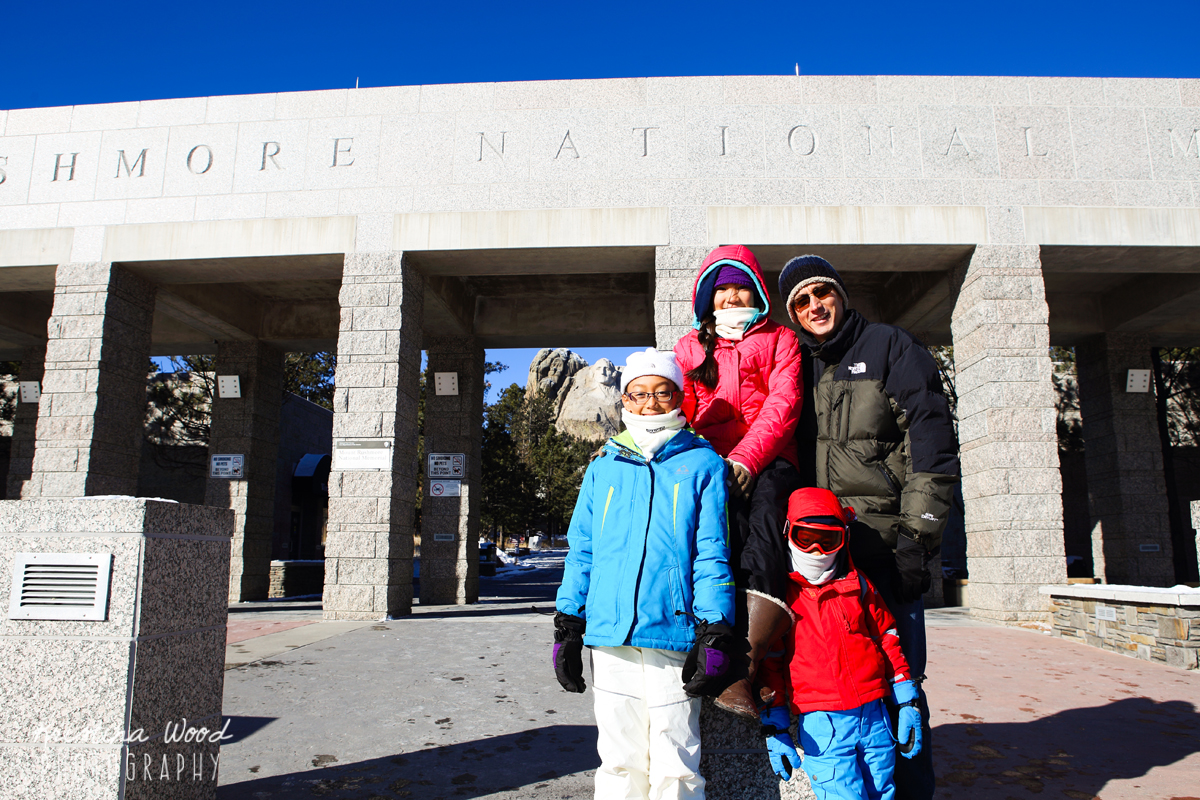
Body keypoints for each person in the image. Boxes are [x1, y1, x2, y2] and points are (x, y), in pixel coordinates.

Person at [778, 255, 959, 800]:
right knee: (836, 685)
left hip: (885, 550)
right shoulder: (795, 364)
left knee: (902, 686)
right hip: (820, 560)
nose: (815, 307)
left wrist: (916, 540)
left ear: (840, 295)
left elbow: (932, 448)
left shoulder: (889, 347)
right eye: (801, 301)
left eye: (822, 293)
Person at [553, 348, 738, 800]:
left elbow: (712, 551)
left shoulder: (703, 464)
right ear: (625, 402)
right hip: (610, 633)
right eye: (639, 394)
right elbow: (583, 551)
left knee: (676, 759)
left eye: (661, 392)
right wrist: (568, 622)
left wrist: (715, 626)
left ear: (678, 396)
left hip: (671, 629)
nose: (650, 402)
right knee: (617, 757)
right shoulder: (603, 467)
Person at [673, 244, 803, 720]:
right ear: (708, 297)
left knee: (766, 536)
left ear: (757, 291)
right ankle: (707, 646)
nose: (731, 297)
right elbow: (681, 410)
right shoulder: (689, 347)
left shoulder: (781, 339)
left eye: (740, 287)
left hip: (769, 459)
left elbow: (783, 405)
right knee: (711, 543)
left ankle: (748, 665)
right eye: (722, 289)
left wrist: (747, 458)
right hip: (712, 462)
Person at [757, 487, 924, 800]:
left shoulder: (858, 584)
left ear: (843, 538)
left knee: (883, 791)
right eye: (806, 538)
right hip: (824, 723)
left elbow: (886, 635)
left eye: (828, 539)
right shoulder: (784, 598)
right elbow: (771, 662)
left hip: (874, 714)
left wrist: (906, 699)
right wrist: (775, 724)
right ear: (788, 534)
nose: (818, 551)